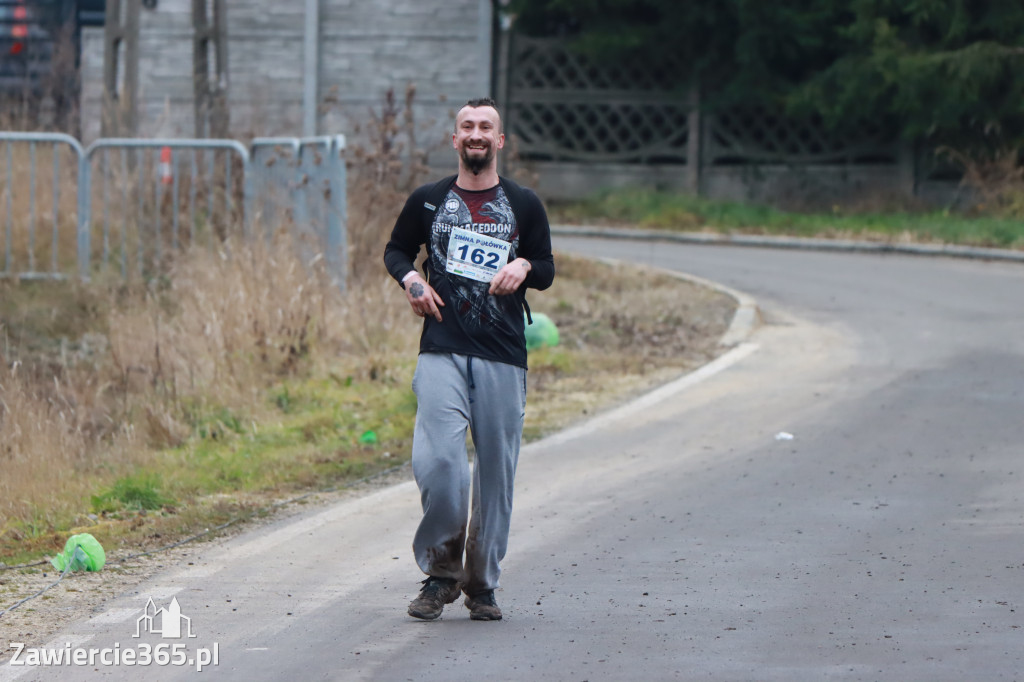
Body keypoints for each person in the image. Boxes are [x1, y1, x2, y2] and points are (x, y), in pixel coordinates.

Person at [383, 97, 555, 621]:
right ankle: (439, 575)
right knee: (439, 464)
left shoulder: (524, 203)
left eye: (486, 126)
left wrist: (523, 263)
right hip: (442, 347)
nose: (476, 133)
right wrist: (412, 279)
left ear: (499, 141)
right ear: (454, 140)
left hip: (503, 355)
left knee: (496, 475)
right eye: (467, 126)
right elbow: (395, 250)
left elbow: (546, 268)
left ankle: (481, 585)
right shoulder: (430, 200)